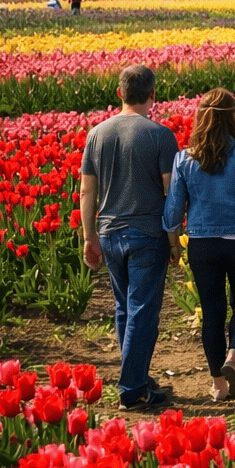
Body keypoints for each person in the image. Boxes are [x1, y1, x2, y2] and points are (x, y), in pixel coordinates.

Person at [161, 89, 235, 402]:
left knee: (212, 312)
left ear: (200, 117)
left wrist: (173, 243)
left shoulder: (184, 159)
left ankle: (219, 386)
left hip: (203, 244)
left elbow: (173, 209)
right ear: (232, 118)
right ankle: (234, 358)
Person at [80, 66, 180, 410]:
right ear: (153, 94)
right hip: (147, 234)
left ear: (119, 94)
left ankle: (136, 376)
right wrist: (174, 240)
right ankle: (132, 389)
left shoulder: (96, 134)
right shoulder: (161, 135)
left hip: (109, 233)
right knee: (142, 312)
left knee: (125, 309)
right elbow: (170, 192)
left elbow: (86, 191)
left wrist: (89, 237)